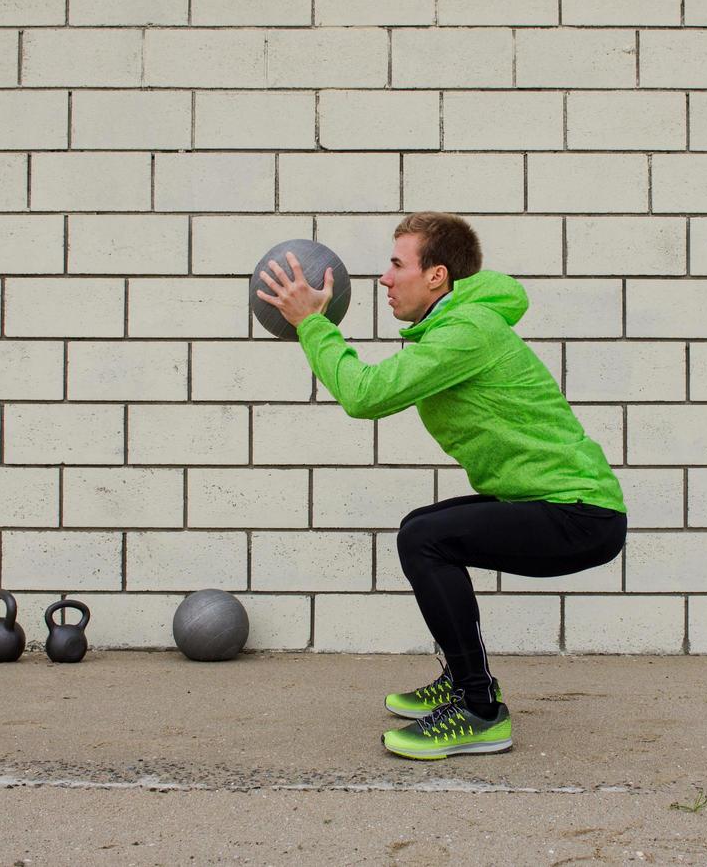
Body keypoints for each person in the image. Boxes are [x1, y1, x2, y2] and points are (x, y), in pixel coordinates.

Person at [256, 212, 627, 761]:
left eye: (397, 264)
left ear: (437, 276)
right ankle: (462, 680)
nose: (383, 279)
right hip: (548, 502)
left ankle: (479, 710)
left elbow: (366, 395)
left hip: (579, 515)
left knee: (425, 540)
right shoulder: (460, 324)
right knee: (420, 529)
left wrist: (313, 322)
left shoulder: (467, 332)